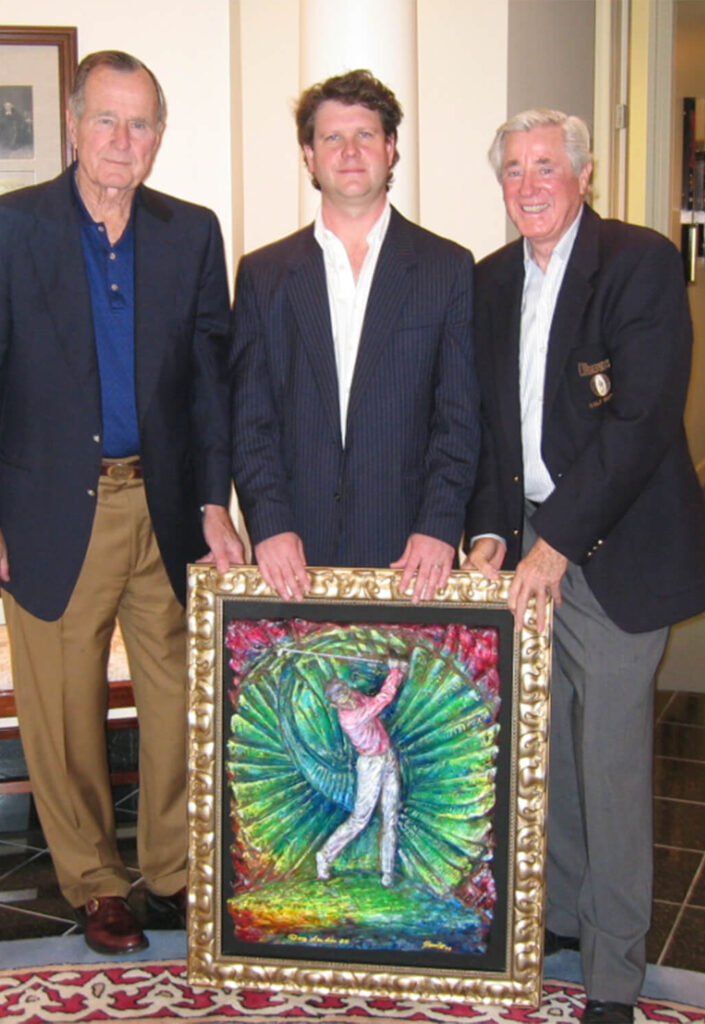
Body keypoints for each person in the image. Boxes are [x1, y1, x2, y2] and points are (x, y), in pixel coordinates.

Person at [0, 50, 243, 957]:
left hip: (163, 512)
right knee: (62, 712)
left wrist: (214, 505)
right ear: (75, 126)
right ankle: (94, 883)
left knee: (180, 705)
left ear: (159, 136)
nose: (123, 140)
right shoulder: (10, 226)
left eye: (141, 123)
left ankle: (172, 873)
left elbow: (210, 386)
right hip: (47, 513)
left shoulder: (190, 233)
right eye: (107, 121)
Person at [463, 109, 705, 1024]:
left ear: (585, 174)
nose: (528, 185)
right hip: (529, 540)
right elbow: (493, 427)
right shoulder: (490, 279)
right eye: (512, 170)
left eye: (546, 167)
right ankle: (567, 917)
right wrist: (496, 533)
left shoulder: (639, 262)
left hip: (614, 544)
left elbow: (642, 419)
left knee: (610, 766)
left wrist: (553, 543)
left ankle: (614, 974)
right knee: (546, 749)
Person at [231, 69, 479, 604]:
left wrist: (440, 526)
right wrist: (268, 524)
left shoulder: (447, 268)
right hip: (291, 555)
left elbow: (458, 418)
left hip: (412, 555)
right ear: (308, 154)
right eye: (332, 138)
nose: (349, 151)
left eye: (366, 135)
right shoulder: (263, 273)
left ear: (390, 150)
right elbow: (251, 418)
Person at [316, 655, 408, 887]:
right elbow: (383, 700)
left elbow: (372, 699)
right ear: (335, 705)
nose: (348, 700)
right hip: (369, 765)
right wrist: (395, 672)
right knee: (359, 819)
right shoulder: (351, 719)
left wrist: (395, 670)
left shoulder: (356, 698)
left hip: (387, 758)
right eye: (342, 699)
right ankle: (324, 856)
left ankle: (387, 872)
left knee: (391, 815)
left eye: (347, 693)